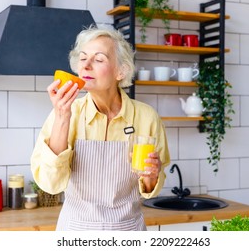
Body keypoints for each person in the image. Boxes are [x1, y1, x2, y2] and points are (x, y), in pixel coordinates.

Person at [31, 26, 170, 231]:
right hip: (76, 231)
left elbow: (150, 190)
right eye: (83, 58)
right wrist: (62, 117)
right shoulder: (67, 112)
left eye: (99, 59)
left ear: (120, 71)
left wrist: (151, 175)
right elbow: (51, 184)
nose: (86, 66)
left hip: (127, 230)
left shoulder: (146, 117)